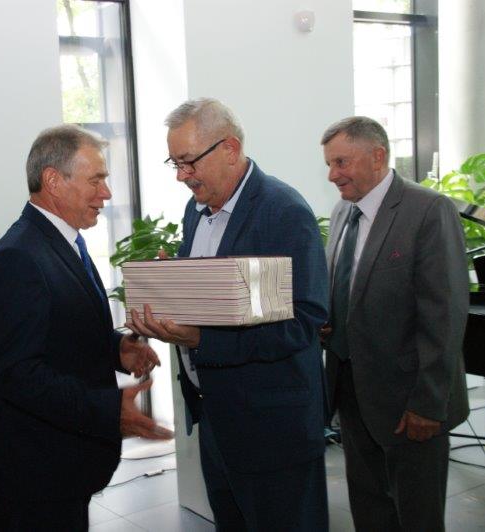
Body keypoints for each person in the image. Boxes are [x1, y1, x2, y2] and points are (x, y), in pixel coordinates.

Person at [129, 97, 330, 531]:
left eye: (188, 162)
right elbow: (218, 301)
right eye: (175, 163)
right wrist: (172, 291)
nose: (181, 176)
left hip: (273, 429)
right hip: (217, 421)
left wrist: (202, 339)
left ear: (230, 149)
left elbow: (302, 322)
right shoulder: (195, 212)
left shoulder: (283, 212)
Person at [0, 124, 173, 531]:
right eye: (96, 180)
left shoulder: (61, 241)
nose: (107, 193)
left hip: (60, 466)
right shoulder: (18, 258)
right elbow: (18, 375)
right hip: (34, 473)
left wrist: (116, 348)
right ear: (53, 180)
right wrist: (109, 410)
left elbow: (60, 331)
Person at [321, 116, 469, 531]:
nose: (332, 175)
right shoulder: (342, 213)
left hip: (410, 402)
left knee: (418, 515)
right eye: (329, 164)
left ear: (378, 156)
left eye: (341, 162)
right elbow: (350, 293)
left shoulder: (428, 210)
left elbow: (445, 315)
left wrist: (428, 403)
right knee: (368, 507)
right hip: (352, 391)